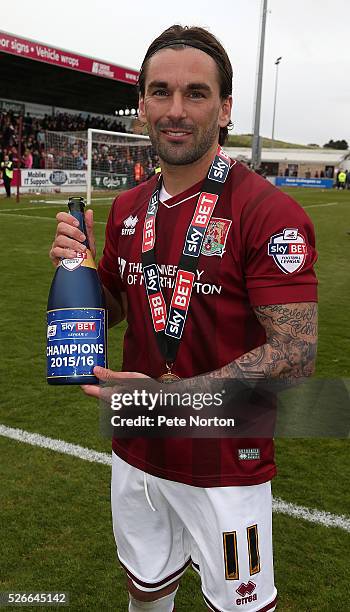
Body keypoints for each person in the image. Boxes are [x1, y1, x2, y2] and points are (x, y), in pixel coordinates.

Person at [50, 25, 318, 612]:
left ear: (224, 110)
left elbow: (295, 354)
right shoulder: (127, 207)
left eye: (196, 94)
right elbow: (119, 309)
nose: (176, 110)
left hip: (225, 462)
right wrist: (80, 275)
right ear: (142, 103)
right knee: (146, 596)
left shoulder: (269, 212)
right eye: (161, 92)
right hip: (137, 449)